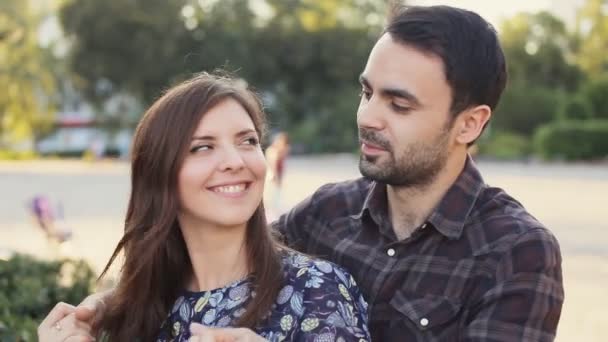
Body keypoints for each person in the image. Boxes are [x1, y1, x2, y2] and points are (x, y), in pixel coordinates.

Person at [41, 4, 565, 341]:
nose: (368, 118)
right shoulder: (328, 213)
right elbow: (211, 263)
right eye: (367, 93)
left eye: (398, 105)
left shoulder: (516, 251)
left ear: (469, 124)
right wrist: (106, 306)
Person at [37, 73, 370, 342]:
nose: (234, 161)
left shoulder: (316, 290)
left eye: (248, 141)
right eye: (203, 147)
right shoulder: (137, 308)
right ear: (160, 174)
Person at [264, 132, 290, 217]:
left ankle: (273, 215)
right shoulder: (272, 151)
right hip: (272, 177)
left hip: (275, 176)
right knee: (274, 198)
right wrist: (277, 179)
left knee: (276, 197)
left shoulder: (280, 151)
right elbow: (273, 167)